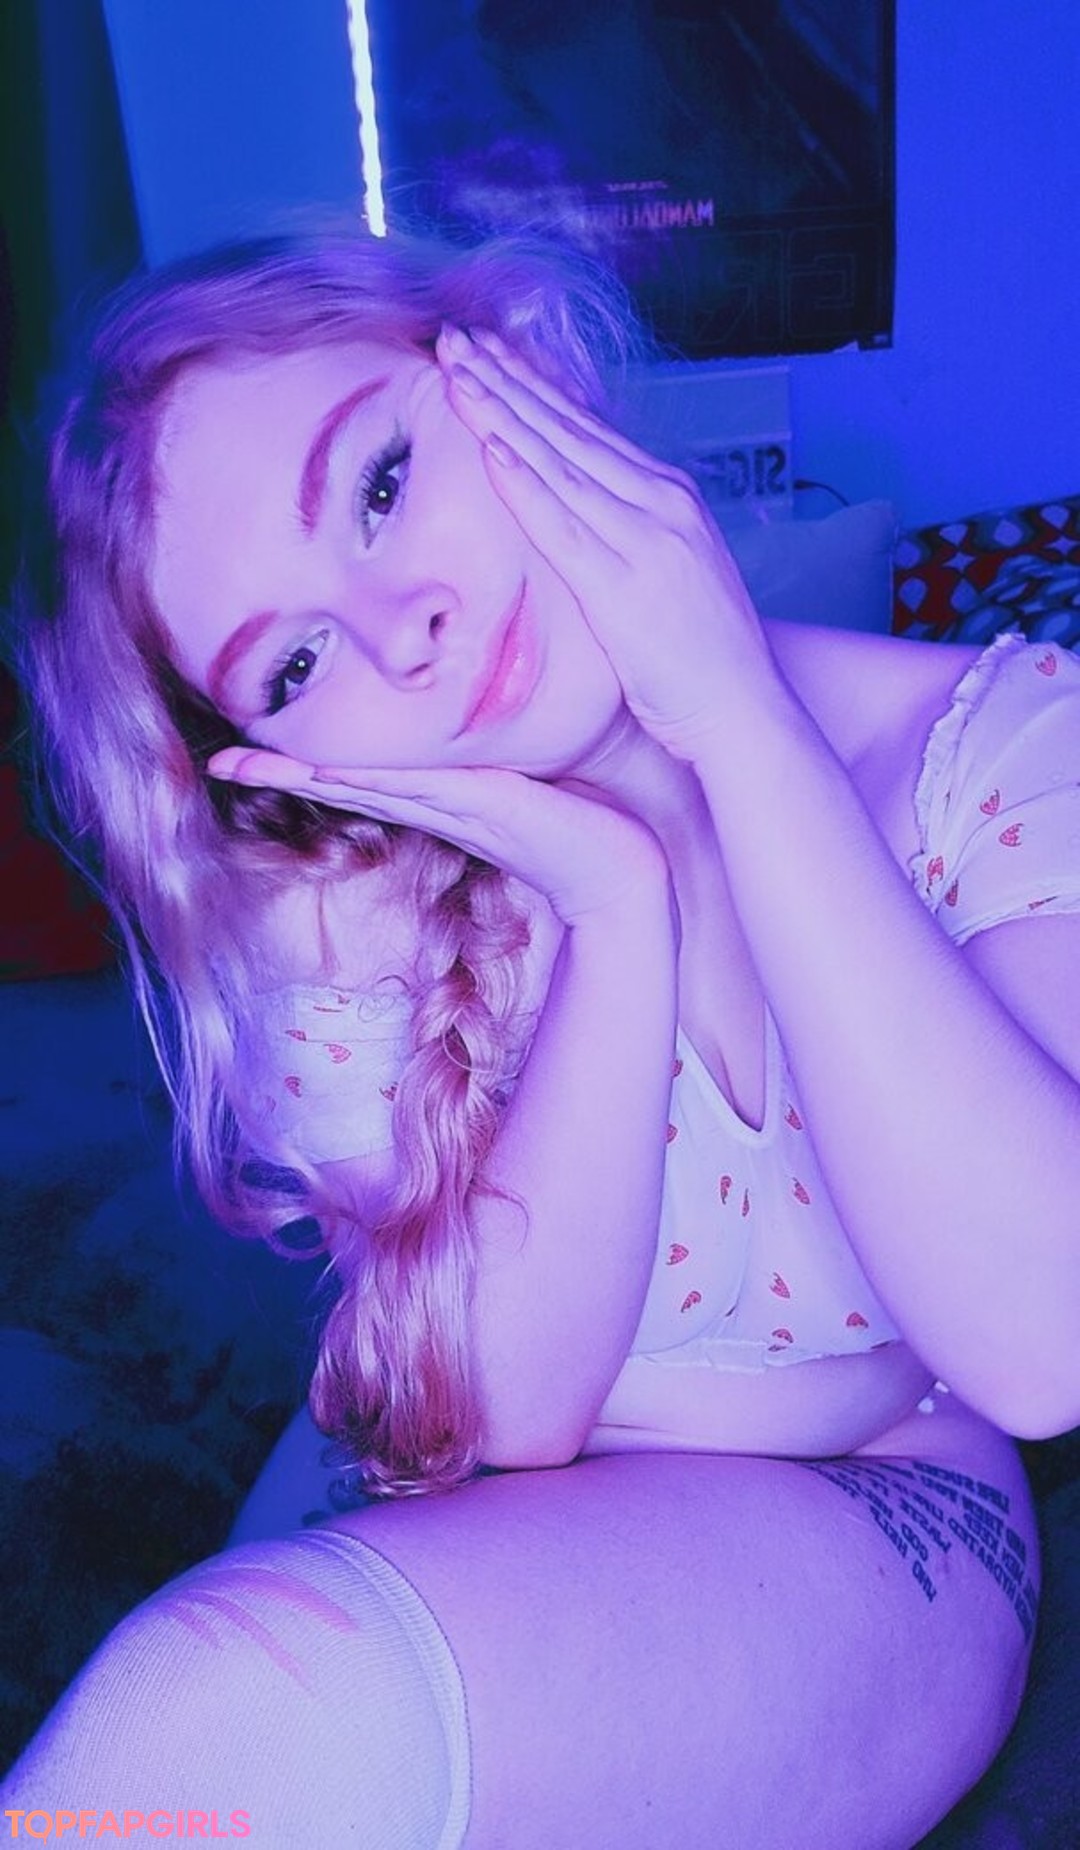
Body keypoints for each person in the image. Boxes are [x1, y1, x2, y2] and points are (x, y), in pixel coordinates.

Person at [4, 227, 1079, 1848]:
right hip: (430, 1489)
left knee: (243, 1718)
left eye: (379, 484)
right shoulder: (336, 907)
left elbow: (1045, 1338)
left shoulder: (997, 741)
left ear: (510, 352)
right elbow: (505, 1426)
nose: (402, 631)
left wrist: (737, 726)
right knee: (191, 1746)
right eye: (295, 661)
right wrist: (615, 902)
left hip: (880, 1490)